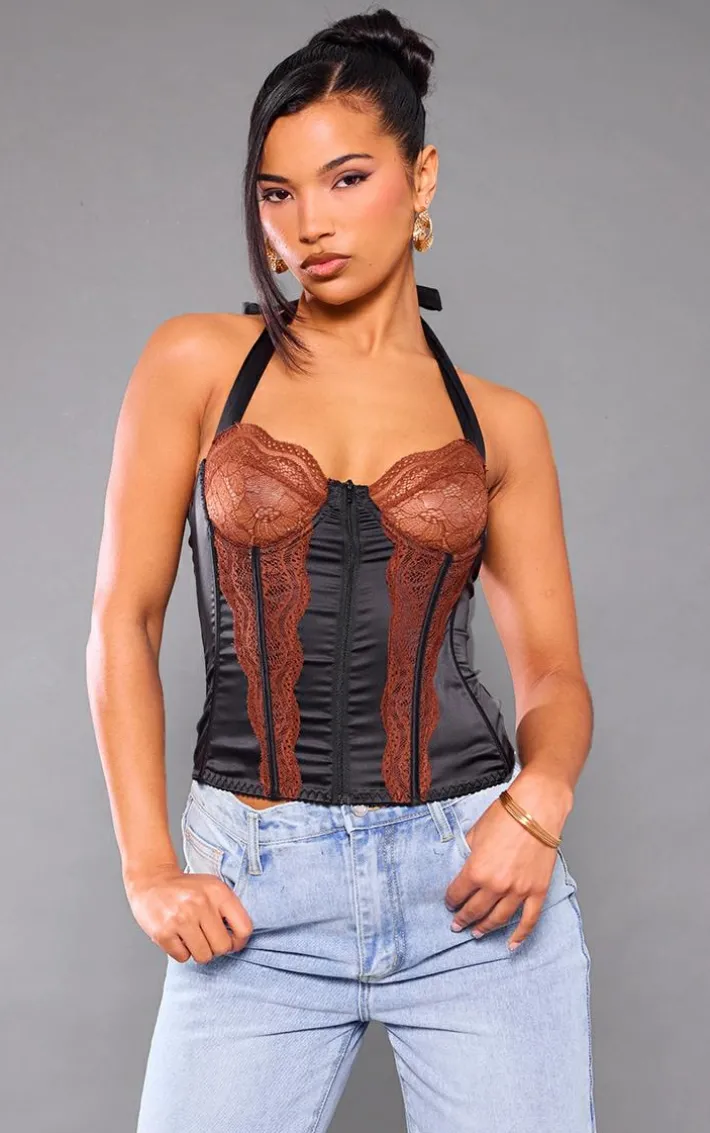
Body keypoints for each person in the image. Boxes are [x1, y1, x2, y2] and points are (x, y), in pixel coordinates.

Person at [86, 8, 597, 1131]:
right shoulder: (196, 362)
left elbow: (554, 677)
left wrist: (539, 802)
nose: (305, 223)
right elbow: (124, 619)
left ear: (422, 180)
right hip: (254, 889)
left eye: (346, 178)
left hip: (473, 887)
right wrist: (148, 865)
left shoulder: (501, 422)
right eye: (275, 192)